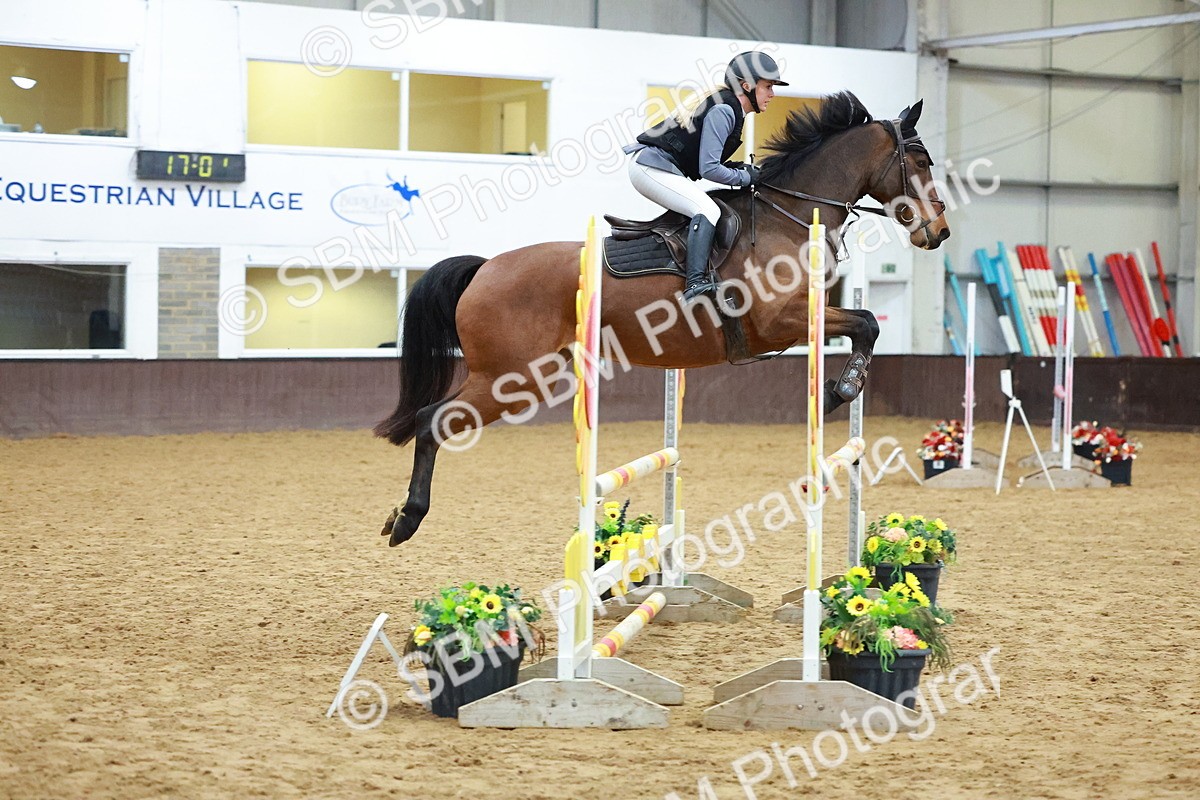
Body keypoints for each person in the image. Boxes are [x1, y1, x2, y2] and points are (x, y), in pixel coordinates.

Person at [624, 51, 788, 301]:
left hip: (657, 167)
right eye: (768, 87)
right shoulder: (724, 110)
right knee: (707, 210)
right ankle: (694, 284)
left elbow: (712, 163)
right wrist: (746, 178)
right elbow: (709, 170)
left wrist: (743, 170)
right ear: (747, 86)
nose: (772, 94)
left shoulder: (730, 108)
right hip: (649, 168)